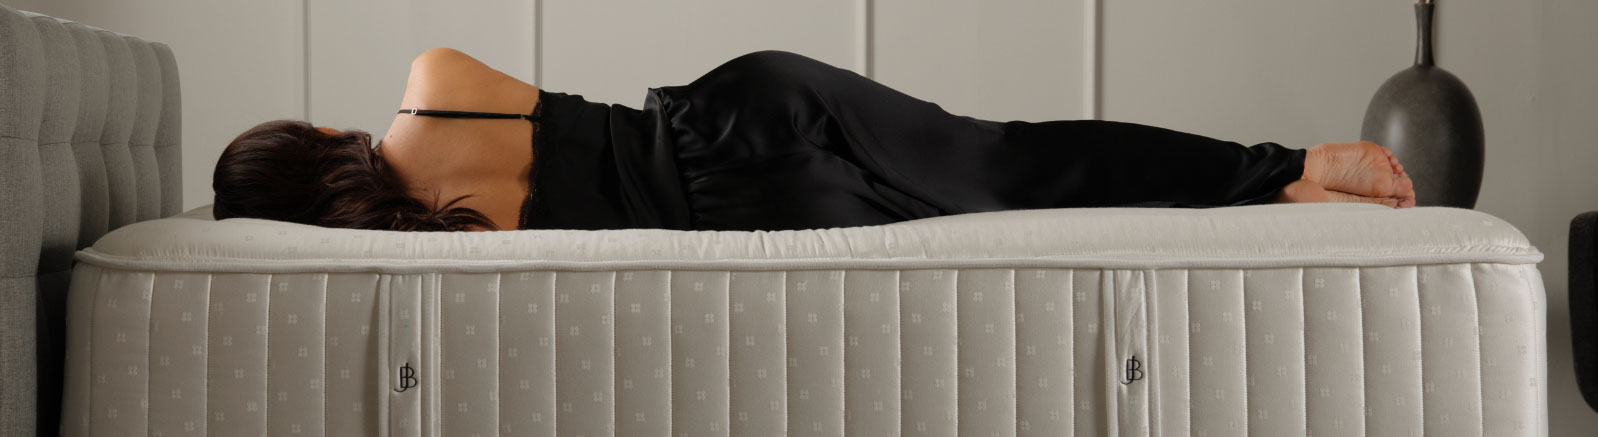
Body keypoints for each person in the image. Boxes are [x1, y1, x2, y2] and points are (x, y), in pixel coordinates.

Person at [212, 49, 1415, 232]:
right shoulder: (430, 88)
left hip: (752, 218)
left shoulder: (433, 251)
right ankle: (1286, 171)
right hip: (746, 114)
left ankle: (1280, 198)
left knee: (1004, 214)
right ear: (311, 137)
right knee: (1009, 156)